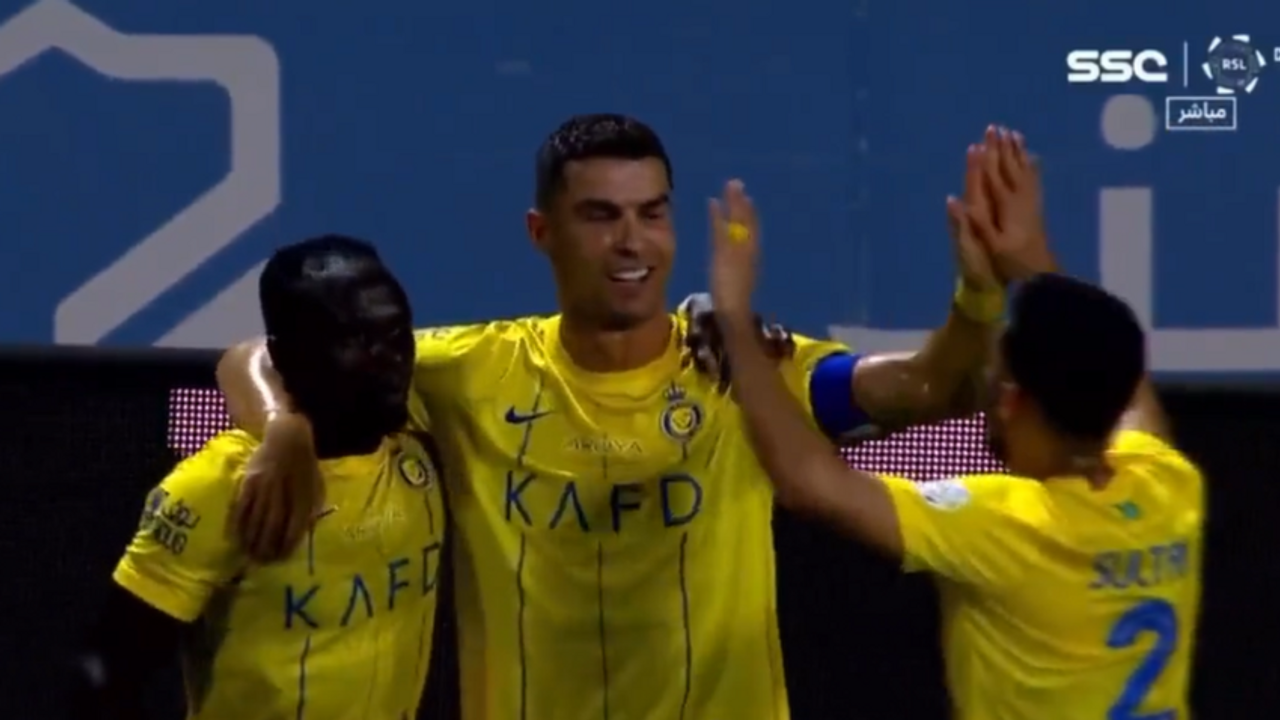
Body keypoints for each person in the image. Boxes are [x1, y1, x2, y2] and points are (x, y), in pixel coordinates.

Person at [216, 114, 1009, 719]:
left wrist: (977, 295)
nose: (633, 243)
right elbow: (257, 353)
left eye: (651, 214)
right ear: (542, 233)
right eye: (601, 216)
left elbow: (931, 388)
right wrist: (282, 427)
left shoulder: (743, 369)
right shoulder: (471, 373)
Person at [708, 131, 1203, 719]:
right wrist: (1028, 261)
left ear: (1013, 400)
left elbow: (807, 479)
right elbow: (1125, 385)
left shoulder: (1006, 525)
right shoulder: (1168, 485)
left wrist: (733, 319)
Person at [69, 236, 448, 719]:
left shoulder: (423, 429)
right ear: (289, 356)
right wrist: (281, 427)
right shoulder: (223, 483)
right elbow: (106, 675)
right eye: (354, 339)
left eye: (397, 331)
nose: (390, 356)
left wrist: (278, 422)